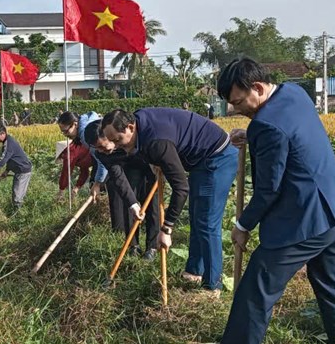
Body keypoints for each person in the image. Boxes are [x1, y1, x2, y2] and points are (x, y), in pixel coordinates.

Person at [192, 58, 335, 344]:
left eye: (239, 102)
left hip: (303, 223)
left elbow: (268, 190)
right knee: (328, 282)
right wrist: (252, 135)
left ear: (257, 88)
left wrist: (242, 224)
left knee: (255, 291)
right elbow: (289, 133)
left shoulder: (265, 126)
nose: (235, 108)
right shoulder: (293, 94)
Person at [101, 106, 238, 293]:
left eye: (118, 140)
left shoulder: (157, 143)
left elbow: (181, 188)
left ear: (131, 127)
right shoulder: (140, 125)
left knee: (207, 222)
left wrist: (166, 229)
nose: (117, 146)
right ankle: (194, 271)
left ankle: (212, 286)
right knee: (196, 217)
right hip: (198, 160)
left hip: (217, 157)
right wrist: (157, 163)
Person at [84, 119, 161, 259]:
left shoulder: (129, 136)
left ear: (111, 136)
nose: (102, 151)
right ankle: (133, 246)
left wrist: (158, 163)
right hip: (127, 168)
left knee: (153, 206)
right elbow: (118, 177)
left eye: (103, 146)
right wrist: (132, 203)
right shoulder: (102, 153)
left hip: (148, 163)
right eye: (98, 148)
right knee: (129, 204)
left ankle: (152, 247)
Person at [0, 123, 33, 210]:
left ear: (3, 133)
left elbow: (2, 161)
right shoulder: (7, 142)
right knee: (16, 193)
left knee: (17, 197)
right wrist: (7, 170)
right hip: (19, 170)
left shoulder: (9, 144)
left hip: (23, 171)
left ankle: (18, 216)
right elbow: (10, 159)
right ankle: (17, 211)